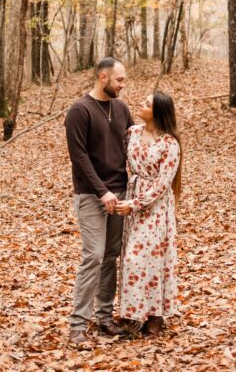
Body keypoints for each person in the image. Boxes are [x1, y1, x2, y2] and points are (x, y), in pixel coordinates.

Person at [65, 57, 133, 349]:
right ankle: (77, 326)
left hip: (120, 193)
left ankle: (104, 317)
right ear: (103, 77)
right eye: (119, 79)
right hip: (91, 196)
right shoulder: (80, 111)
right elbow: (79, 157)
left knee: (111, 255)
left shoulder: (121, 108)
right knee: (93, 255)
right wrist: (102, 192)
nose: (123, 84)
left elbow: (133, 144)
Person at [115, 91, 182, 336]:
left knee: (148, 259)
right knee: (132, 259)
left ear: (159, 112)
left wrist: (135, 203)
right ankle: (134, 314)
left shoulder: (169, 144)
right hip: (131, 198)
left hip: (155, 208)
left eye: (147, 103)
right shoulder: (132, 133)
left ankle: (156, 314)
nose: (140, 105)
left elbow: (163, 184)